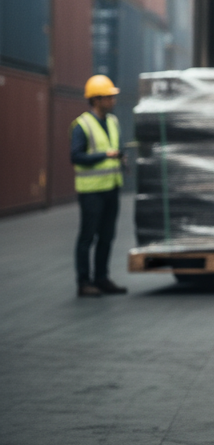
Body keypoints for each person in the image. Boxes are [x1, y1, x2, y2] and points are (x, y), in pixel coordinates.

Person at [71, 75, 128, 298]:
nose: (113, 100)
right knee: (88, 237)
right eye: (109, 97)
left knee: (107, 235)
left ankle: (101, 278)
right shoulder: (81, 125)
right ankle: (84, 282)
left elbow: (116, 147)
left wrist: (120, 157)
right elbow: (76, 157)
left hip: (111, 187)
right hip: (91, 191)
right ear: (96, 100)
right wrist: (105, 155)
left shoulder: (113, 121)